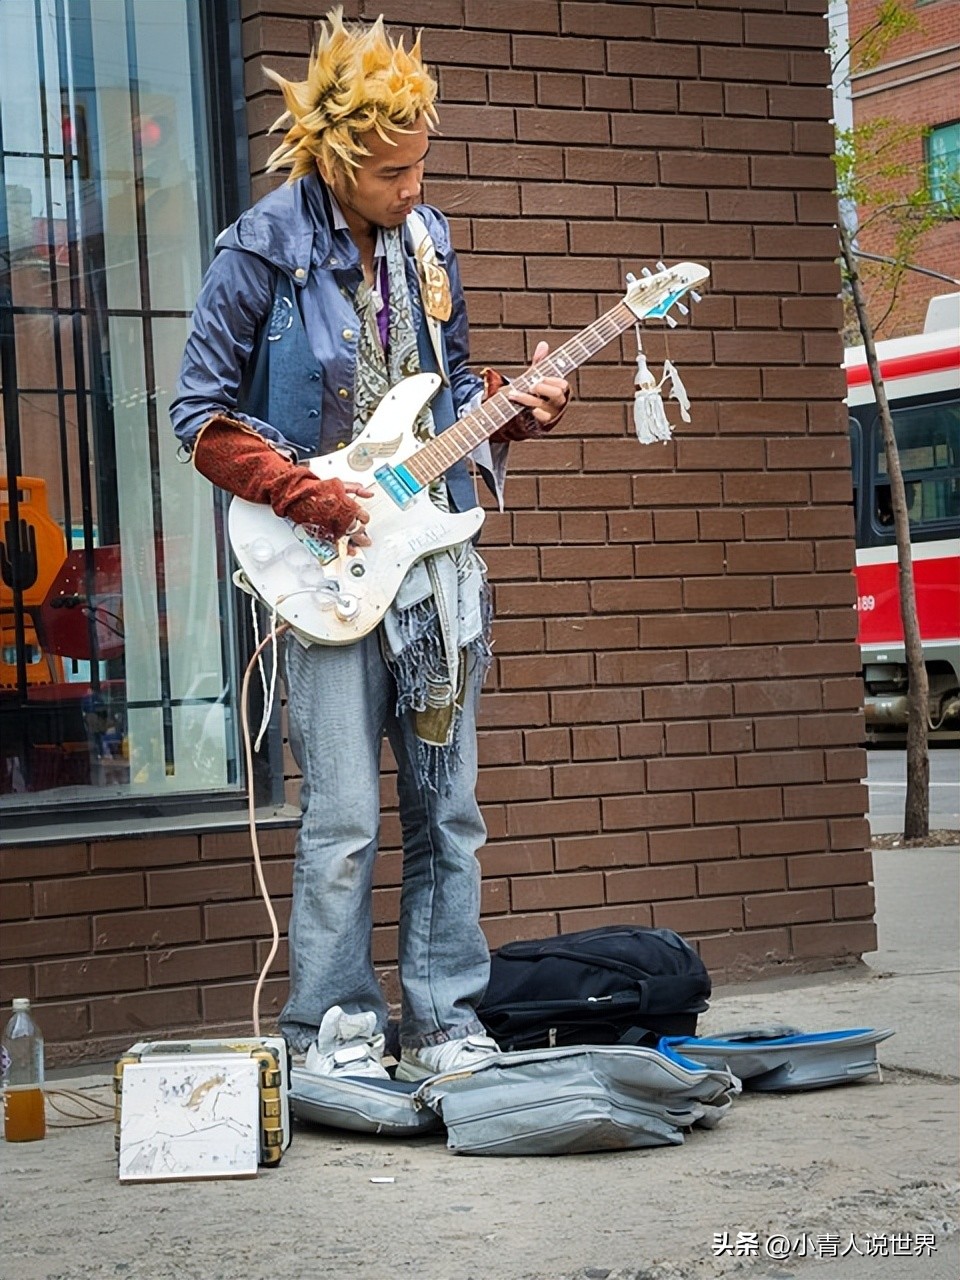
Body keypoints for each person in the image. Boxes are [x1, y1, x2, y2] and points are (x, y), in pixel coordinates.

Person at [170, 8, 569, 1082]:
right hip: (330, 567)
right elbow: (198, 417)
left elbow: (457, 389)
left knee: (450, 810)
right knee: (343, 817)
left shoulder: (428, 240)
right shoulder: (259, 249)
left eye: (422, 164)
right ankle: (332, 1028)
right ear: (339, 161)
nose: (414, 187)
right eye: (395, 171)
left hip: (434, 570)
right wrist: (307, 496)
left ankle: (444, 1021)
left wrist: (518, 406)